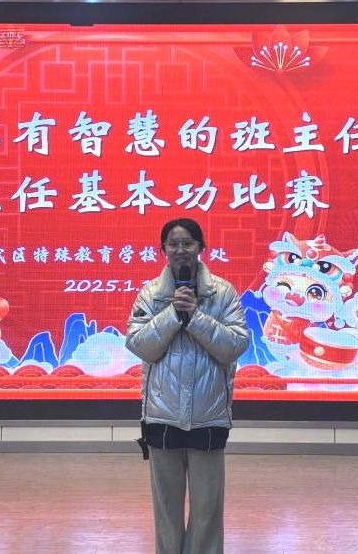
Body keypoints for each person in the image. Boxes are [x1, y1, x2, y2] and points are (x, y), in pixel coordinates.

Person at [125, 218, 250, 554]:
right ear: (163, 250)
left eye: (188, 243)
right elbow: (140, 346)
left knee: (207, 510)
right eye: (173, 244)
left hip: (208, 416)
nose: (180, 250)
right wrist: (172, 314)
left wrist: (195, 317)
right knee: (166, 510)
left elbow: (234, 346)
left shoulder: (222, 293)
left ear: (201, 248)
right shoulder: (151, 294)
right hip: (162, 416)